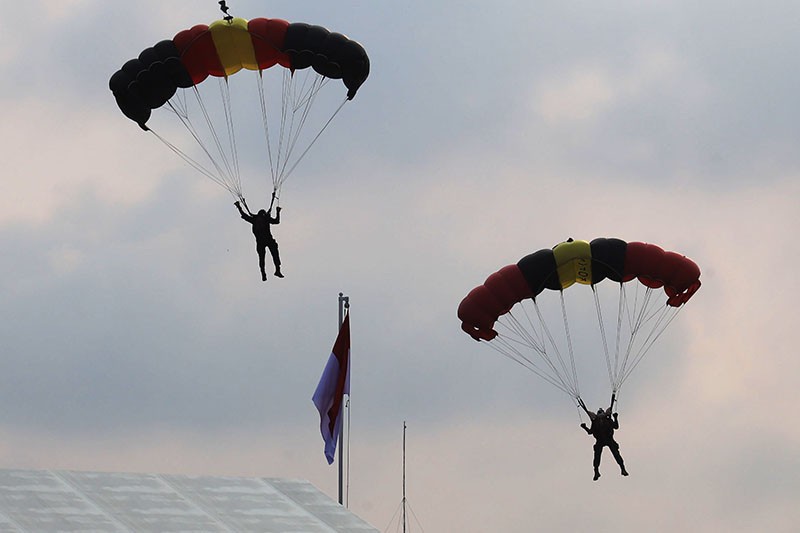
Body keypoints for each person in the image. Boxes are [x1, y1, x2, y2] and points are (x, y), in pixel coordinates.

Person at [235, 195, 283, 281]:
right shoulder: (265, 218)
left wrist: (239, 207)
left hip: (262, 241)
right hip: (266, 240)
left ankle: (267, 272)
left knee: (263, 257)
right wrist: (278, 211)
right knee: (272, 254)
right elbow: (276, 221)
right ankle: (274, 271)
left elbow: (245, 216)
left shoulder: (256, 219)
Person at [579, 400, 628, 481]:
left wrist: (615, 418)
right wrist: (584, 427)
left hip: (609, 439)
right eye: (599, 412)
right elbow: (590, 432)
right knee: (597, 456)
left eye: (601, 412)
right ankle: (596, 471)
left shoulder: (607, 419)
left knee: (616, 454)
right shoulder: (595, 421)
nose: (600, 414)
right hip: (600, 441)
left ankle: (622, 468)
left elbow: (616, 426)